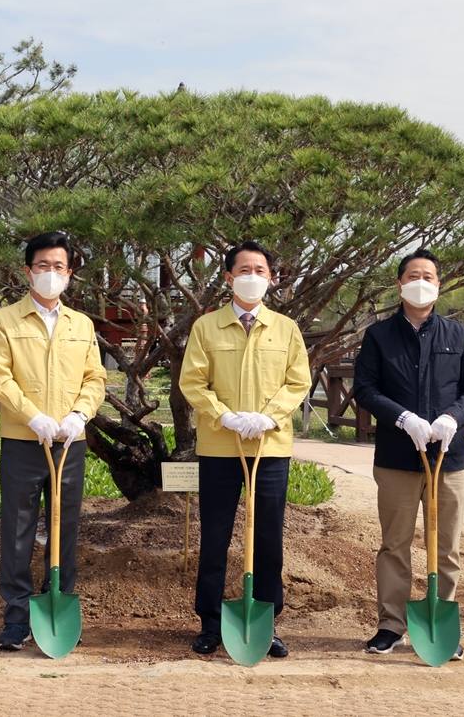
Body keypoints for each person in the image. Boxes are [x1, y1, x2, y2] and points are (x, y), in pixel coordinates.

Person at [352, 248, 464, 660]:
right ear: (399, 284)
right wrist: (402, 417)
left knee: (446, 546)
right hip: (397, 456)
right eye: (413, 275)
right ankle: (390, 626)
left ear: (439, 285)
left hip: (448, 456)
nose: (421, 281)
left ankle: (438, 621)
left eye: (429, 276)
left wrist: (453, 417)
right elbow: (365, 389)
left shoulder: (457, 335)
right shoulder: (379, 336)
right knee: (394, 543)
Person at [178, 240, 311, 659]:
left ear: (271, 278)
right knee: (215, 537)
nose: (253, 276)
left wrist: (270, 416)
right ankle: (211, 623)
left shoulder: (286, 329)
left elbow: (298, 381)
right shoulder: (207, 327)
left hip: (270, 448)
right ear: (228, 278)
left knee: (269, 538)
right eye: (245, 270)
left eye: (261, 270)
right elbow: (192, 383)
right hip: (220, 446)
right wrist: (225, 416)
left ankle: (266, 622)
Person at [0, 231, 107, 650]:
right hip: (23, 440)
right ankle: (17, 617)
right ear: (27, 271)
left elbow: (95, 378)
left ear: (69, 274)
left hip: (70, 443)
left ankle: (57, 600)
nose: (50, 274)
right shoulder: (5, 320)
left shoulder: (82, 324)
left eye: (59, 267)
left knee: (65, 527)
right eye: (42, 266)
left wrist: (79, 415)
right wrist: (32, 416)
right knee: (18, 529)